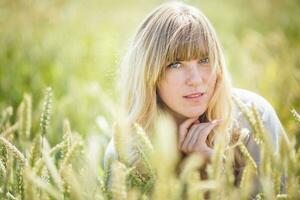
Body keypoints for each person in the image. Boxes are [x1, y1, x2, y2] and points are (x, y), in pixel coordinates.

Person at [103, 1, 287, 198]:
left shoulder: (253, 117)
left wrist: (213, 173)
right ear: (148, 73)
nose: (196, 80)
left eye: (204, 60)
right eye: (175, 64)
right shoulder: (126, 154)